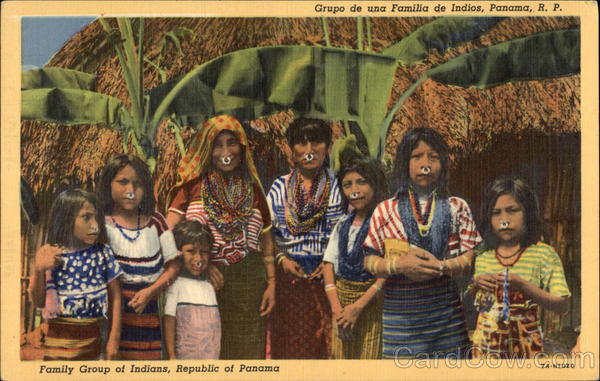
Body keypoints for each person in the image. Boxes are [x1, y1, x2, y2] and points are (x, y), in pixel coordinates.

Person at [363, 127, 482, 359]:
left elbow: (470, 256)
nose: (425, 164)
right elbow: (369, 260)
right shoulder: (386, 210)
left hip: (447, 319)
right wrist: (397, 266)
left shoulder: (457, 206)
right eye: (417, 156)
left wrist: (442, 267)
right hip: (400, 322)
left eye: (433, 157)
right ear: (404, 163)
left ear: (443, 164)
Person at [166, 114, 275, 359]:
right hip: (201, 286)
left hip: (249, 288)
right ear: (207, 148)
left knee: (246, 358)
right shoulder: (191, 187)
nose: (226, 151)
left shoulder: (254, 190)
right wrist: (201, 265)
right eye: (218, 144)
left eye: (232, 142)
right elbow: (167, 235)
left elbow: (267, 242)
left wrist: (272, 284)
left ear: (242, 147)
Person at [267, 118, 343, 359]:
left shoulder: (341, 184)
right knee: (292, 348)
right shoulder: (279, 187)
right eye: (301, 143)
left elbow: (351, 229)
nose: (309, 150)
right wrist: (282, 260)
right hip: (291, 278)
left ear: (328, 147)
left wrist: (331, 262)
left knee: (330, 349)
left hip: (331, 277)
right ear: (291, 149)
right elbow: (267, 233)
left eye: (316, 142)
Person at [471, 176, 570, 358]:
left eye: (512, 210)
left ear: (528, 212)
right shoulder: (483, 255)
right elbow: (476, 302)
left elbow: (562, 305)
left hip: (526, 350)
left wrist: (523, 286)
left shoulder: (543, 255)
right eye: (496, 213)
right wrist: (476, 283)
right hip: (485, 351)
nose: (504, 220)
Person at [97, 154, 179, 360]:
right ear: (108, 183)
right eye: (122, 182)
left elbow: (174, 265)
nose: (130, 191)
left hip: (150, 320)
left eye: (137, 184)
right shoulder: (100, 224)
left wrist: (151, 291)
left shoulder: (157, 221)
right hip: (111, 323)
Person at [29, 189, 122, 360]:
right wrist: (39, 269)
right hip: (56, 350)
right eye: (86, 217)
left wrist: (113, 340)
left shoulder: (102, 253)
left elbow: (116, 297)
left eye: (95, 217)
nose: (95, 225)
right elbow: (38, 301)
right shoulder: (51, 253)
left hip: (93, 345)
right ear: (66, 219)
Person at [322, 157, 388, 359]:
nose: (354, 190)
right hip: (341, 306)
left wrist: (357, 308)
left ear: (374, 183)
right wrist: (337, 310)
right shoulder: (343, 223)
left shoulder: (385, 222)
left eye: (361, 182)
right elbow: (328, 264)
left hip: (370, 306)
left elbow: (387, 273)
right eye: (347, 185)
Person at [163, 220, 221, 359]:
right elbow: (169, 320)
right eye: (191, 251)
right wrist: (171, 355)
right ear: (179, 252)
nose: (198, 258)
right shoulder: (176, 285)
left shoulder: (210, 285)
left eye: (204, 252)